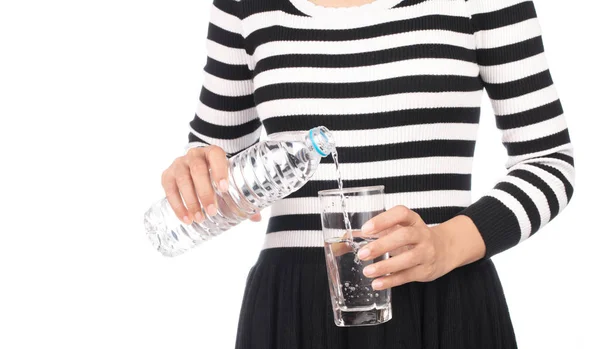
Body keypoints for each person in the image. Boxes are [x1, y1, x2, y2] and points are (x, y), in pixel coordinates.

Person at [160, 0, 575, 347]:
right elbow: (214, 152)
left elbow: (549, 159)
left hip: (445, 301)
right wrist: (194, 169)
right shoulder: (241, 5)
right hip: (293, 309)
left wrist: (446, 243)